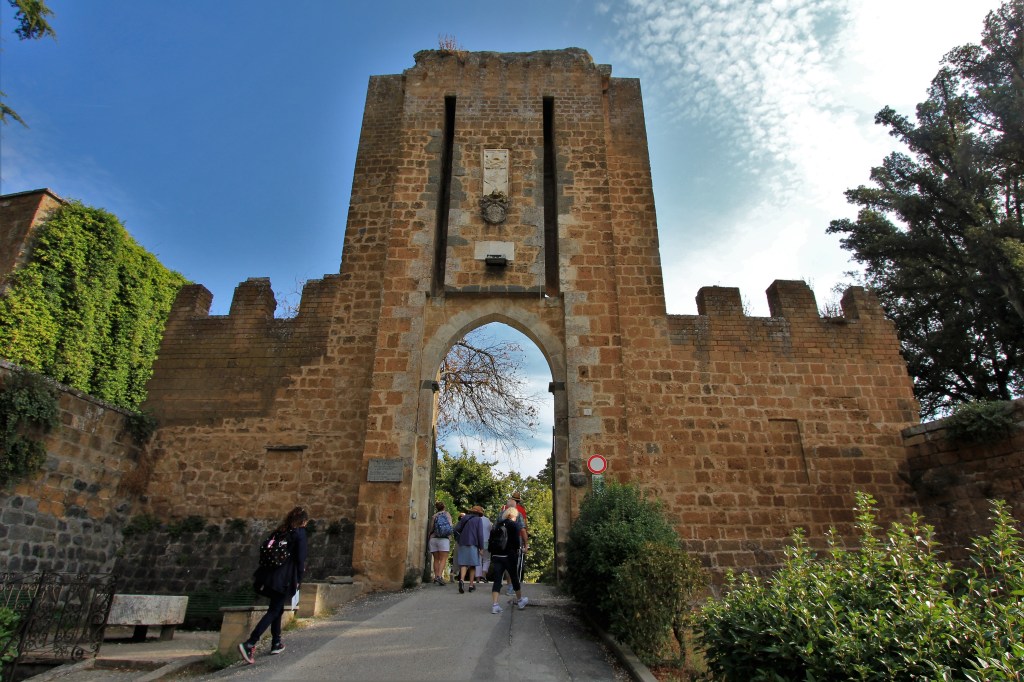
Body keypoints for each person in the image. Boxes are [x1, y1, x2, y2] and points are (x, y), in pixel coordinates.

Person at [238, 506, 309, 664]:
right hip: (283, 579)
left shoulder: (280, 531)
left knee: (277, 608)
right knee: (274, 610)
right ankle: (250, 643)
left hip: (266, 576)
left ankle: (276, 642)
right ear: (304, 521)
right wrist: (298, 579)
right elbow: (301, 559)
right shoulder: (299, 533)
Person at [490, 506, 528, 614]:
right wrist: (519, 549)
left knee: (497, 580)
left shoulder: (497, 525)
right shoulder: (514, 525)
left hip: (496, 555)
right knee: (514, 577)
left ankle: (495, 605)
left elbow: (491, 539)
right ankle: (520, 601)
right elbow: (516, 542)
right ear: (513, 515)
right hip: (509, 556)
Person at [501, 493, 529, 594]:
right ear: (518, 502)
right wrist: (526, 543)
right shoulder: (521, 510)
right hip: (517, 537)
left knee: (506, 560)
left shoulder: (503, 509)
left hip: (503, 539)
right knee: (515, 562)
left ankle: (509, 584)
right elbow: (523, 527)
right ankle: (512, 585)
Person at [453, 506, 485, 592]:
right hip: (473, 543)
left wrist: (459, 538)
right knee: (472, 565)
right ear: (479, 513)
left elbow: (456, 529)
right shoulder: (478, 520)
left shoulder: (464, 518)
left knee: (463, 563)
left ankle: (462, 580)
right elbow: (480, 534)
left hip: (463, 542)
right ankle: (471, 585)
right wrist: (481, 548)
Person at [426, 501, 452, 585]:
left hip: (433, 539)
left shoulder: (434, 516)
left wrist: (429, 535)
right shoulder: (447, 515)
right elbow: (450, 526)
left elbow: (431, 528)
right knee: (443, 559)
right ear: (444, 507)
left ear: (437, 508)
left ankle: (435, 577)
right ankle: (439, 576)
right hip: (444, 539)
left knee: (436, 559)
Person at [477, 508, 492, 583]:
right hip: (486, 541)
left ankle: (477, 578)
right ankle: (483, 575)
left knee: (478, 560)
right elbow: (491, 529)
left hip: (477, 542)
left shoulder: (475, 520)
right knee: (486, 559)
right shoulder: (487, 520)